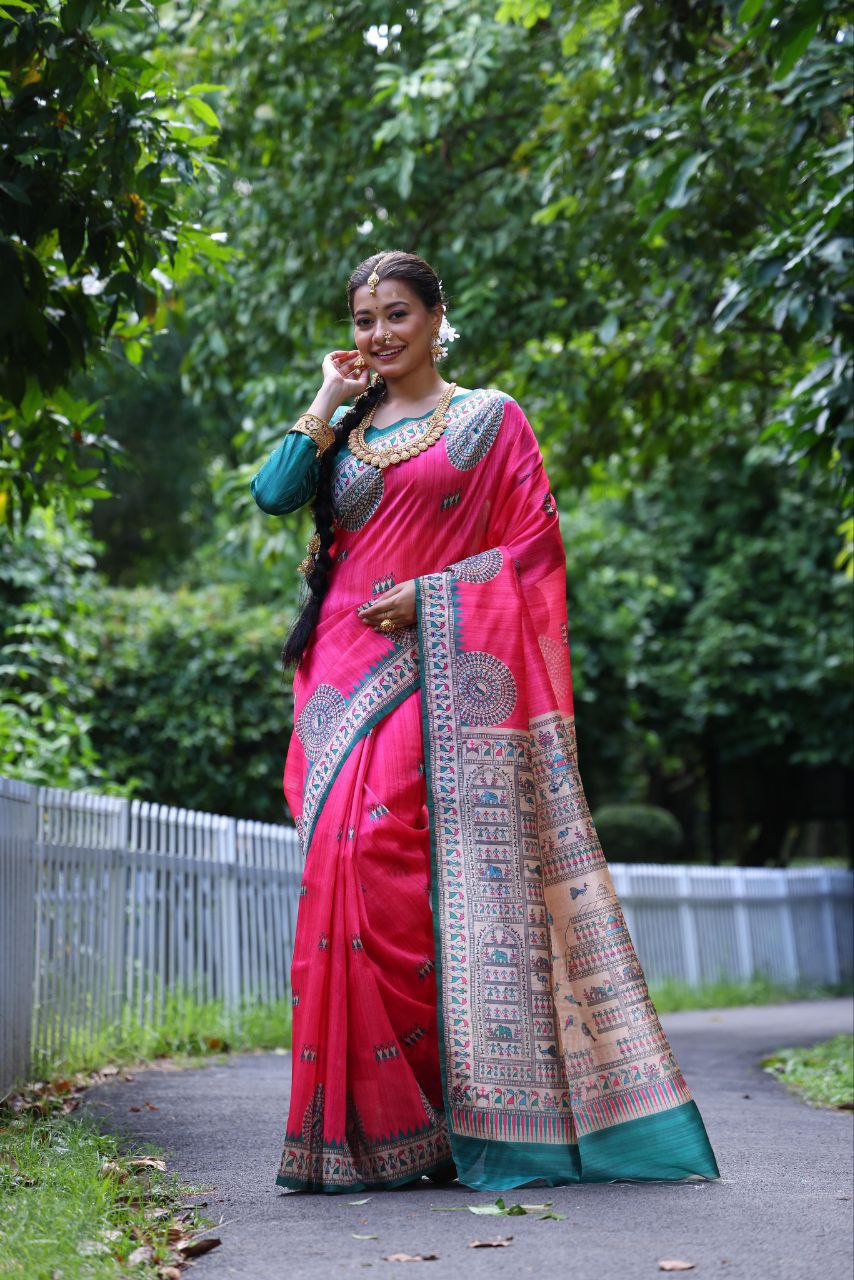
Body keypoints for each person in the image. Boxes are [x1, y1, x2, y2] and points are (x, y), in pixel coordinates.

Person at [250, 249, 720, 1194]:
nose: (377, 335)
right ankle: (365, 1132)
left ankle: (440, 1109)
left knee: (395, 874)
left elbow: (533, 553)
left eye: (395, 316)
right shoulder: (344, 431)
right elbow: (271, 493)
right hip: (342, 678)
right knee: (337, 870)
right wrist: (322, 397)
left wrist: (434, 596)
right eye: (363, 320)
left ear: (436, 317)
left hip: (444, 662)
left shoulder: (489, 420)